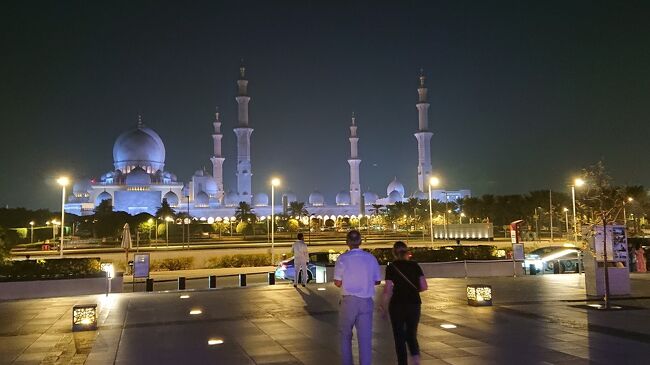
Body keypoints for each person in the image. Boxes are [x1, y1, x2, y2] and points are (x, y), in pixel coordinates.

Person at [334, 230, 381, 365]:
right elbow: (377, 281)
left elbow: (337, 282)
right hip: (366, 301)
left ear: (347, 242)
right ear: (360, 241)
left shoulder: (342, 259)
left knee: (345, 336)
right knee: (365, 338)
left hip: (348, 301)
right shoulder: (370, 258)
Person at [380, 241, 427, 365]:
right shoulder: (415, 266)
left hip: (397, 305)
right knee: (412, 334)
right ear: (407, 252)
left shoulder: (391, 267)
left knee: (399, 336)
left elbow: (388, 289)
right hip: (414, 303)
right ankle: (416, 360)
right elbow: (424, 286)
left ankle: (402, 362)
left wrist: (383, 307)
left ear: (394, 253)